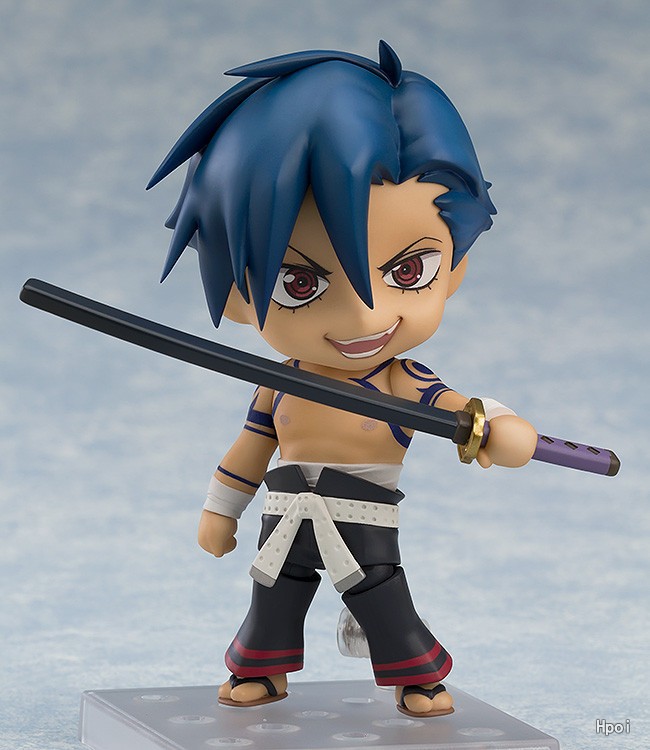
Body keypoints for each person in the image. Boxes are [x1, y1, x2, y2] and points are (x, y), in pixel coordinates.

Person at [147, 41, 538, 717]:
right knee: (273, 593)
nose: (364, 316)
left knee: (382, 595)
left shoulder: (403, 381)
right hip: (284, 510)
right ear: (240, 296)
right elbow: (249, 450)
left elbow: (463, 410)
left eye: (407, 271)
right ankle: (262, 668)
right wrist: (221, 509)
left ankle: (418, 677)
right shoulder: (277, 384)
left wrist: (496, 428)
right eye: (300, 284)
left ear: (455, 268)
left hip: (363, 511)